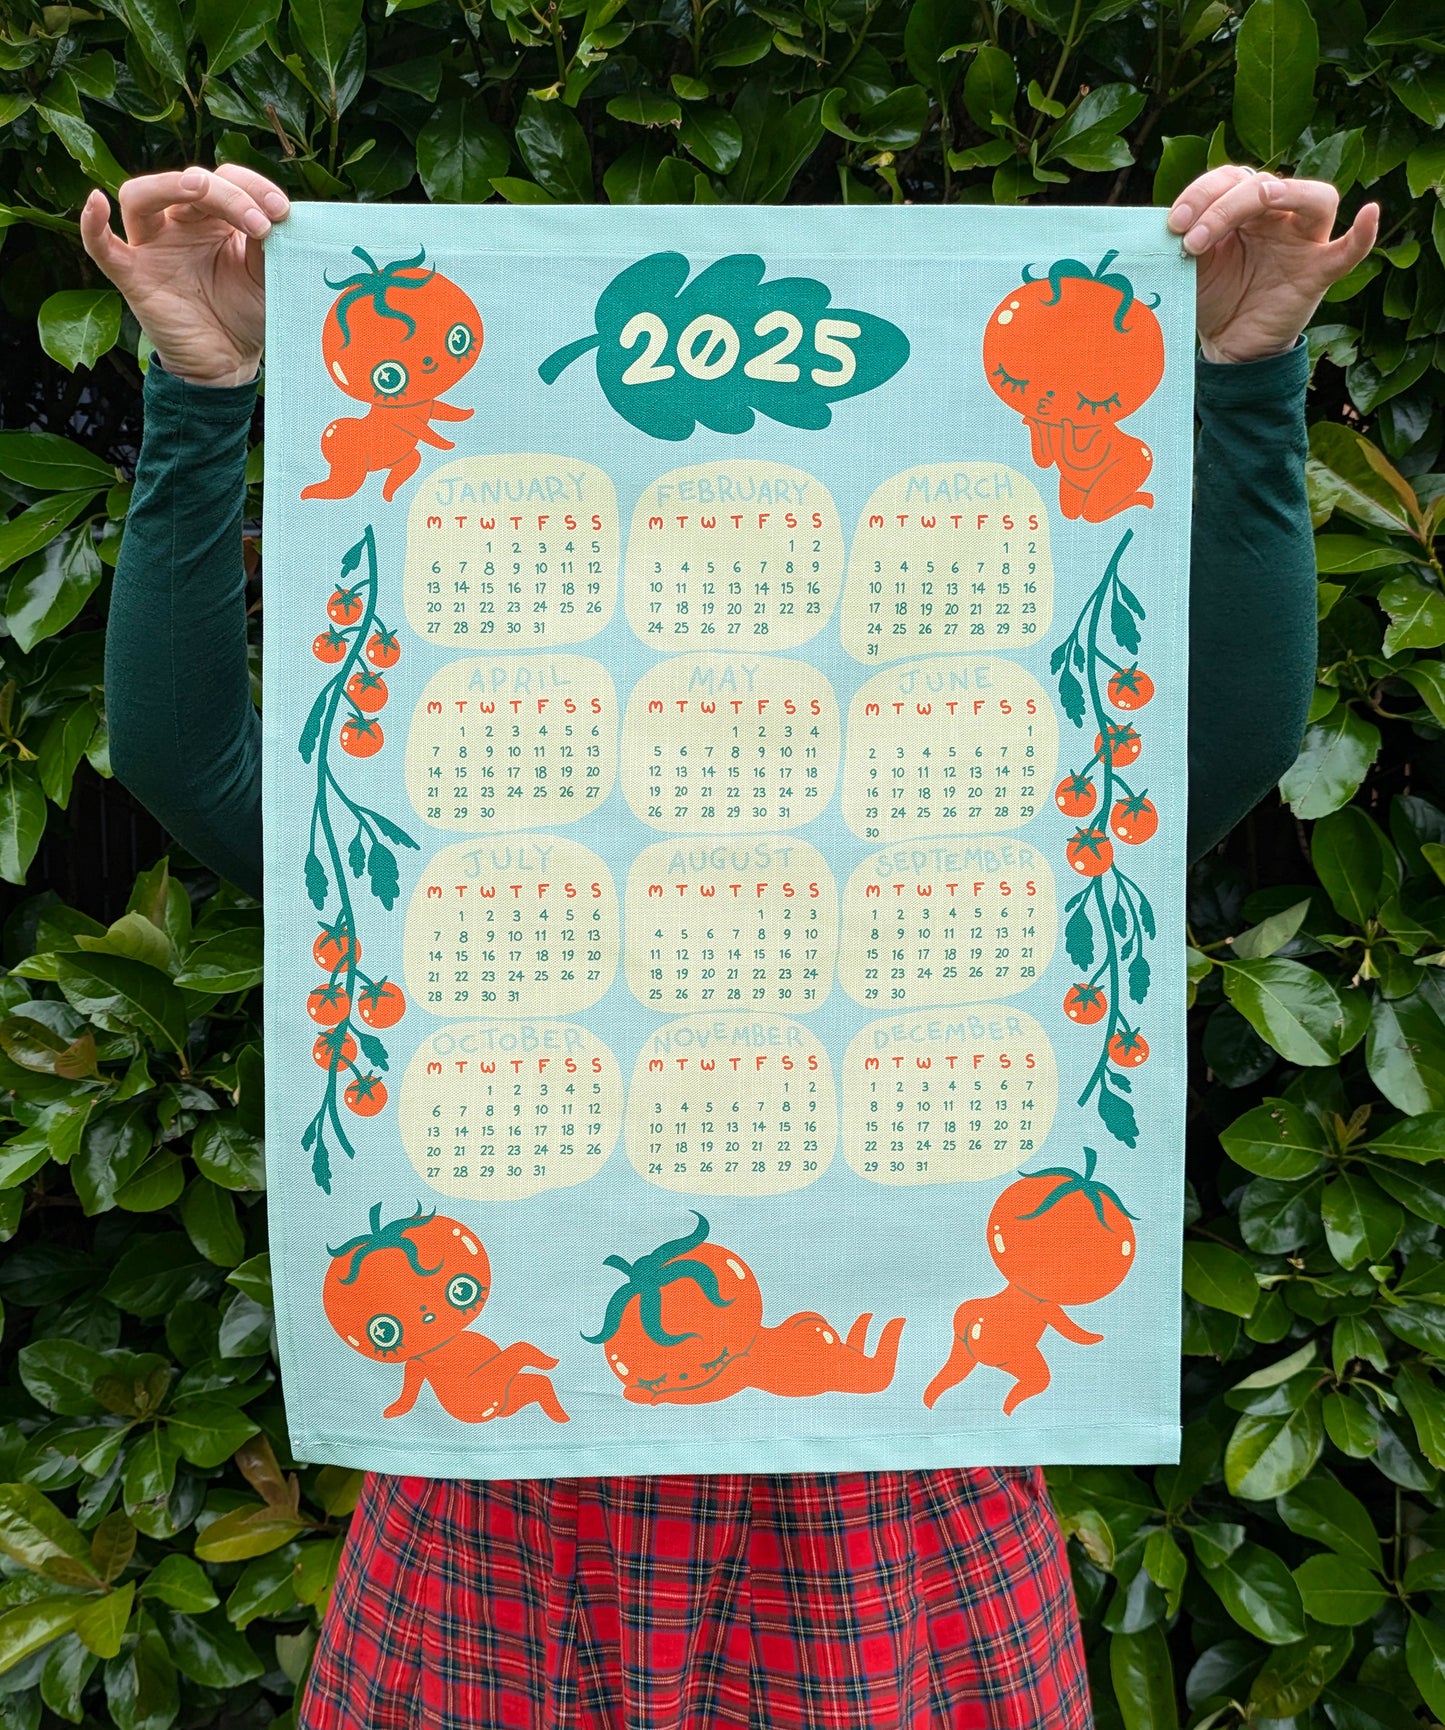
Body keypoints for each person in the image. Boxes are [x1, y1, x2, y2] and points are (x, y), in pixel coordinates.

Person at [84, 161, 1374, 1730]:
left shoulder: (976, 848)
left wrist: (1243, 376)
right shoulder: (445, 862)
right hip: (513, 1503)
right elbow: (183, 754)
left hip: (891, 1497)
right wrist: (202, 393)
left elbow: (1218, 736)